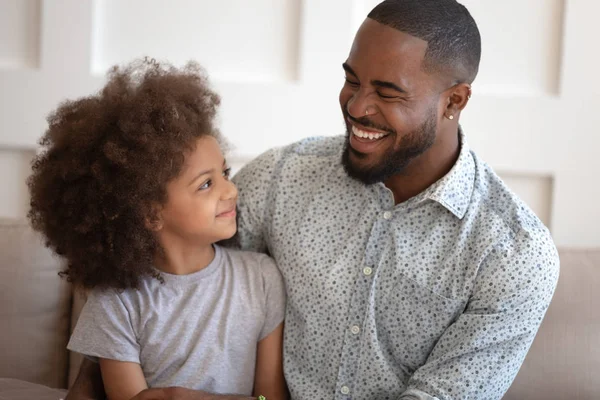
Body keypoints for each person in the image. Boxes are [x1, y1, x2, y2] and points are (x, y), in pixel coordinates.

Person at [66, 1, 560, 399]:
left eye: (387, 92)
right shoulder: (283, 176)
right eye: (352, 80)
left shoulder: (514, 257)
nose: (356, 107)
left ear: (454, 101)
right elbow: (166, 268)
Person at [27, 59, 286, 400]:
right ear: (150, 215)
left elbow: (271, 396)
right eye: (206, 184)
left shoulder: (261, 279)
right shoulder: (115, 301)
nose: (231, 190)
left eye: (225, 172)